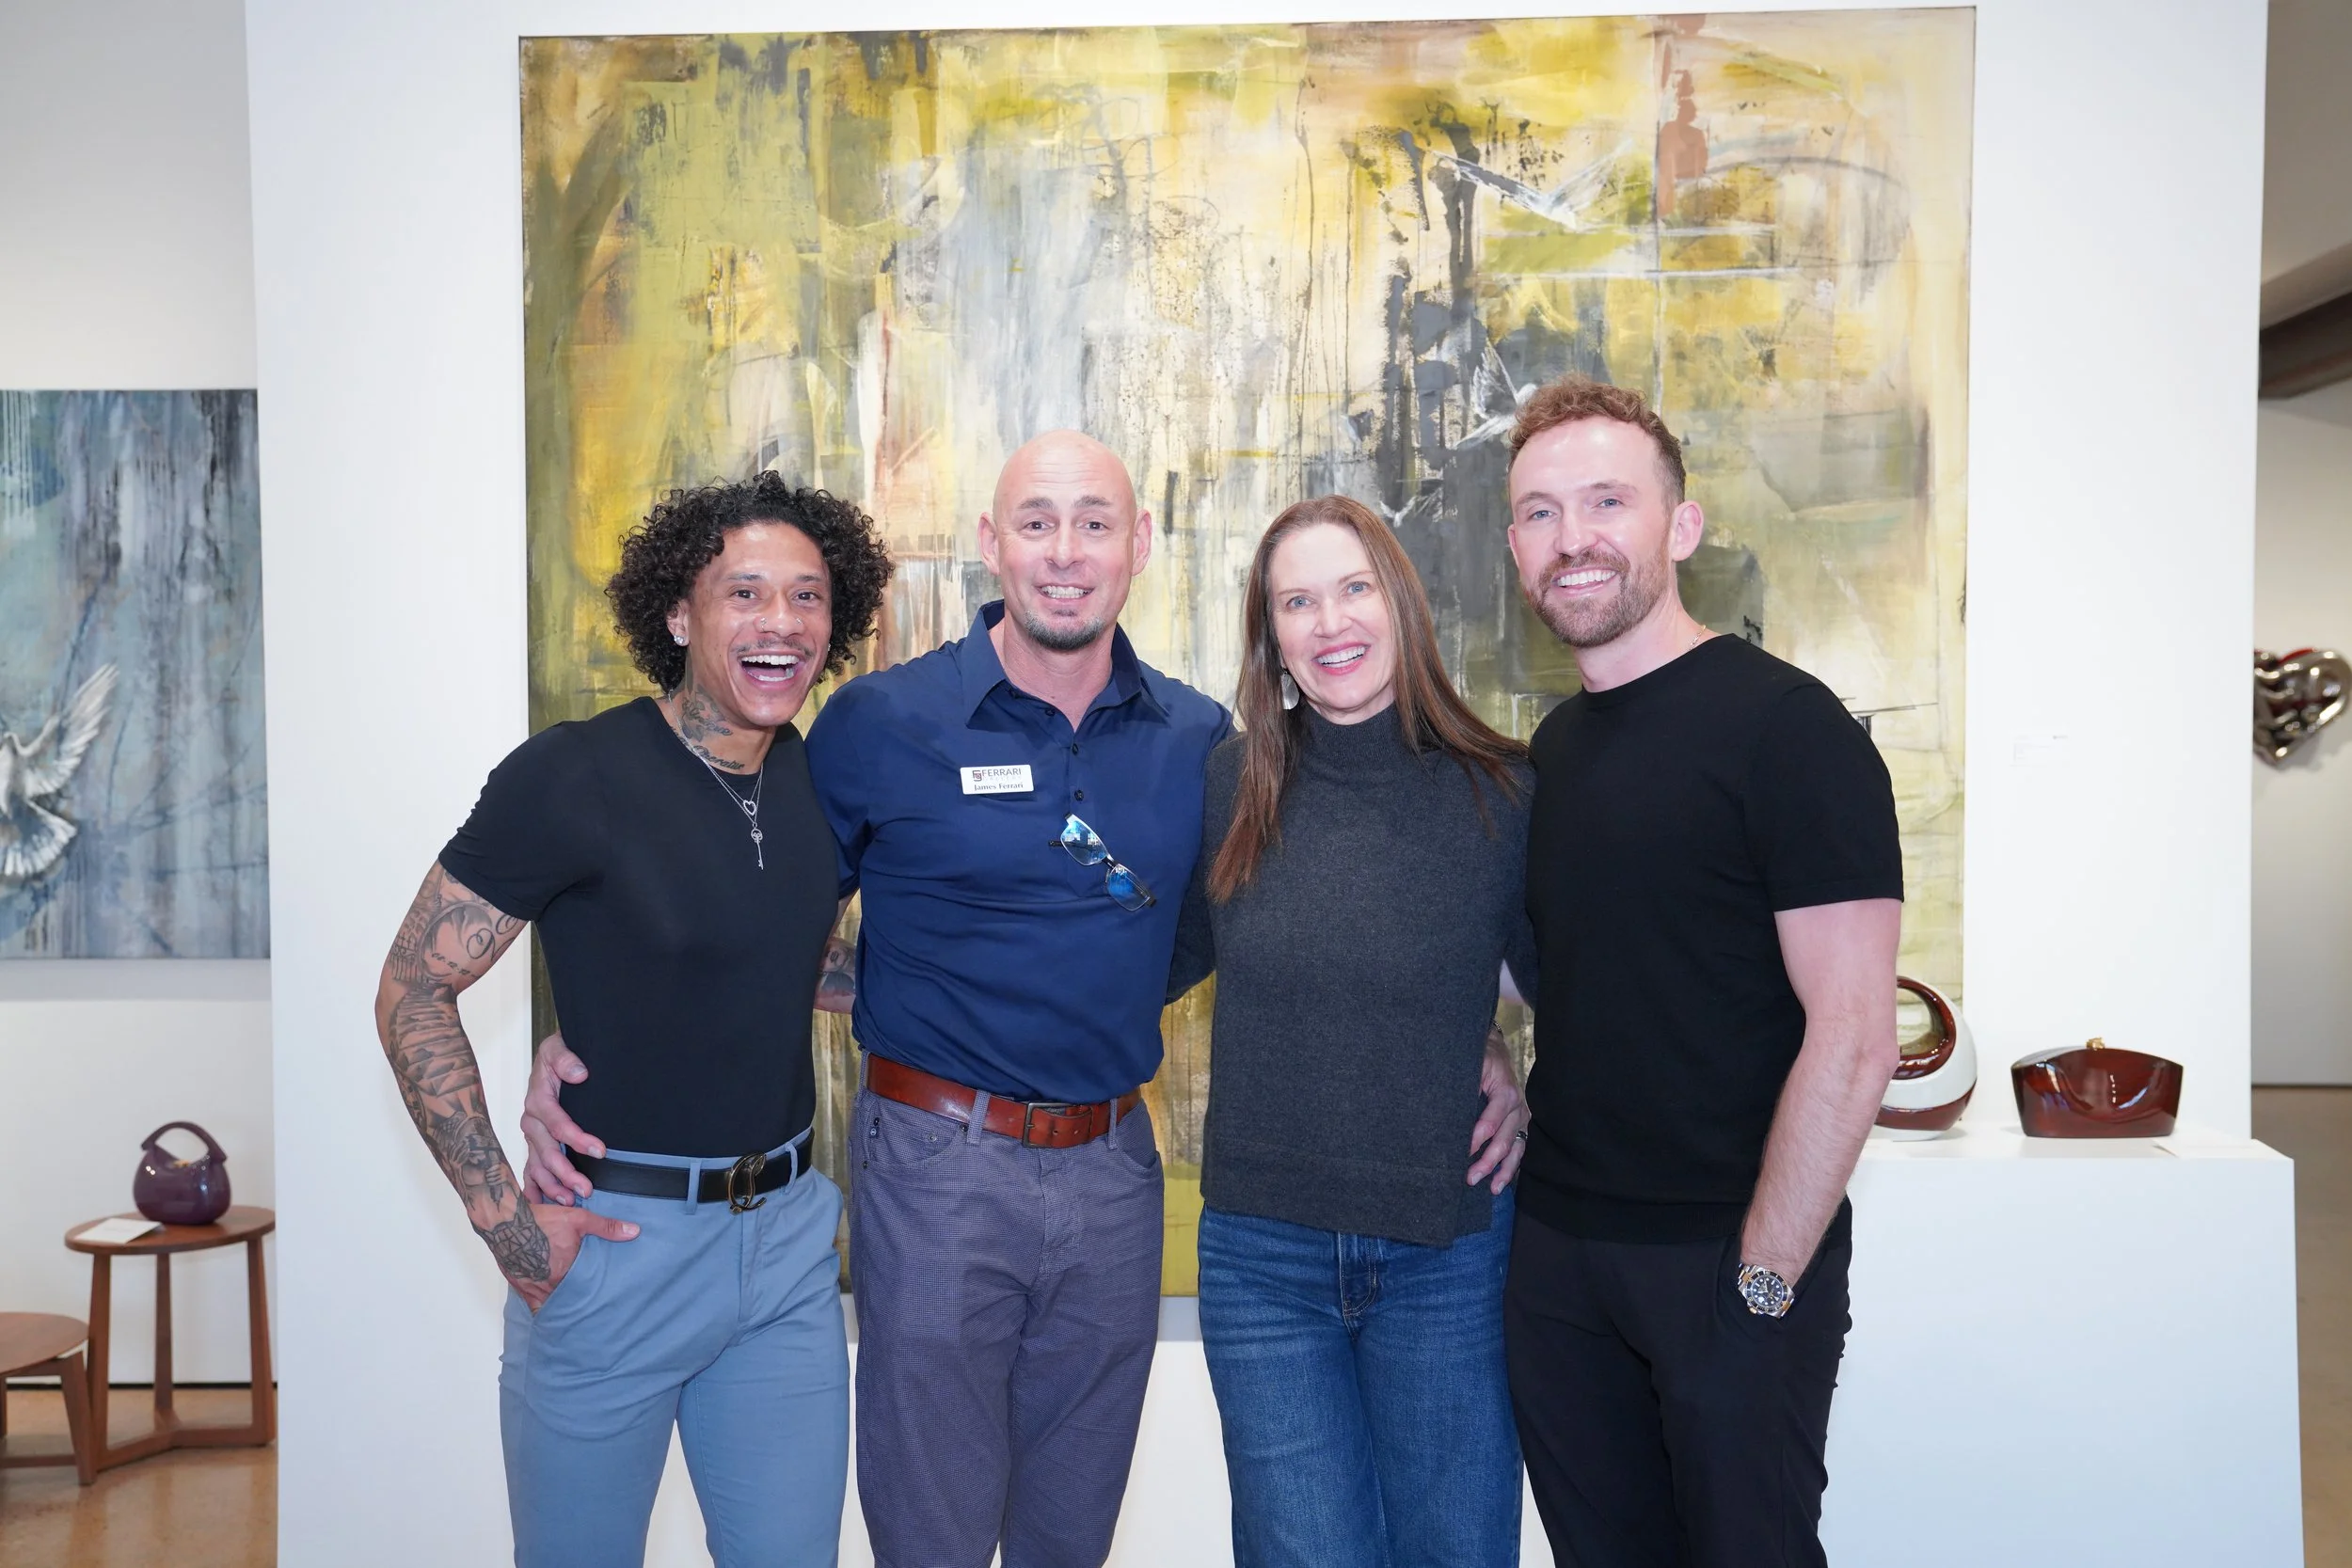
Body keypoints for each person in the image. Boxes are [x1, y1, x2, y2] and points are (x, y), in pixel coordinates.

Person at [523, 431, 1230, 1568]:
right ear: (991, 543)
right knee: (931, 1531)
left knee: (1074, 1529)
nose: (1064, 550)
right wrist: (598, 1024)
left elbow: (1201, 931)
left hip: (1113, 1169)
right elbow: (761, 905)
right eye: (1035, 521)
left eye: (1094, 521)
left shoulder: (1199, 737)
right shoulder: (877, 724)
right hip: (938, 1163)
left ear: (1138, 543)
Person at [372, 474, 893, 1568]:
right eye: (743, 591)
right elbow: (412, 988)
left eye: (806, 597)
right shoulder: (572, 775)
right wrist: (505, 1222)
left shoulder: (808, 775)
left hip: (789, 1250)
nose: (781, 621)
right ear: (677, 613)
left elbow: (793, 958)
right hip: (616, 1251)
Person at [1498, 375, 1903, 1567]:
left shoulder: (1790, 730)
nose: (1572, 538)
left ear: (1680, 525)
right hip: (1562, 1260)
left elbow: (1856, 1033)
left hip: (1729, 1259)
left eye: (1606, 501)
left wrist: (1763, 1285)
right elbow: (1559, 972)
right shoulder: (1555, 749)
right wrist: (1479, 1047)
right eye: (1537, 512)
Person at [1164, 495, 1536, 1568]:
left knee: (1457, 1549)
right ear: (1270, 633)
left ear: (1400, 603)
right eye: (1297, 600)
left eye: (1352, 588)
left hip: (1447, 1254)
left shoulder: (1504, 791)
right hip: (1262, 1258)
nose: (1329, 622)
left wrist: (1504, 1056)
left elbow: (1586, 993)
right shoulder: (1232, 785)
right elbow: (1137, 965)